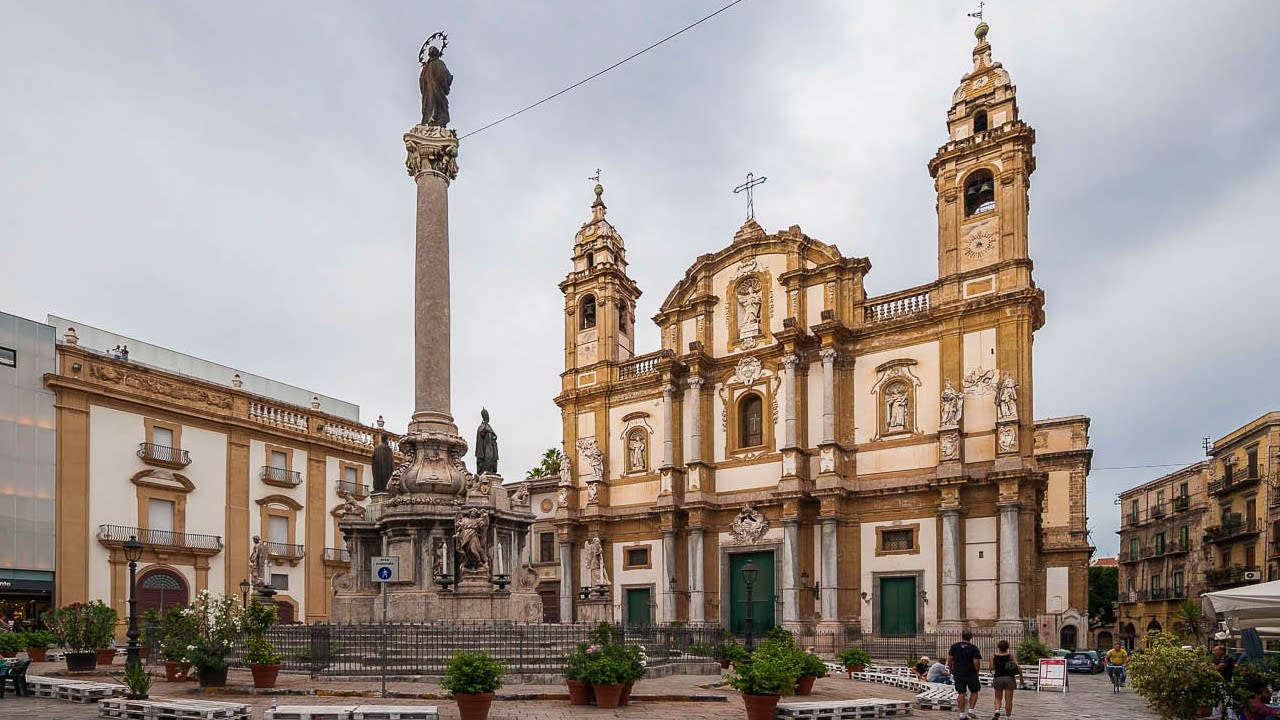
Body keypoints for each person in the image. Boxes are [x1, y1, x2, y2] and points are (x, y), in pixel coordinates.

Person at [948, 629, 982, 720]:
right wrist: (977, 671)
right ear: (971, 637)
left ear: (962, 636)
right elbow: (976, 662)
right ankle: (971, 710)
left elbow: (950, 659)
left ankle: (962, 714)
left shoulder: (954, 647)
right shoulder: (974, 648)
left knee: (961, 693)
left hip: (958, 672)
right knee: (974, 691)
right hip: (970, 672)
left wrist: (951, 669)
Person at [990, 639, 1022, 719]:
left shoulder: (994, 656)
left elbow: (991, 667)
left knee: (997, 697)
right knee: (1008, 700)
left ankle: (997, 711)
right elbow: (1018, 667)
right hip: (1009, 678)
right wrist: (1021, 678)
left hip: (998, 678)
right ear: (1007, 647)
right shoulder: (1011, 656)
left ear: (998, 647)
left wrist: (996, 665)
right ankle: (1008, 717)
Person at [1213, 644, 1238, 719]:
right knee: (1217, 701)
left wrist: (1215, 667)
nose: (1214, 652)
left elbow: (1218, 667)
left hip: (1226, 682)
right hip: (1217, 682)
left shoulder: (1228, 658)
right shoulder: (1218, 659)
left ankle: (1231, 717)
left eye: (1216, 650)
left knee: (1227, 700)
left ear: (1221, 651)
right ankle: (1217, 716)